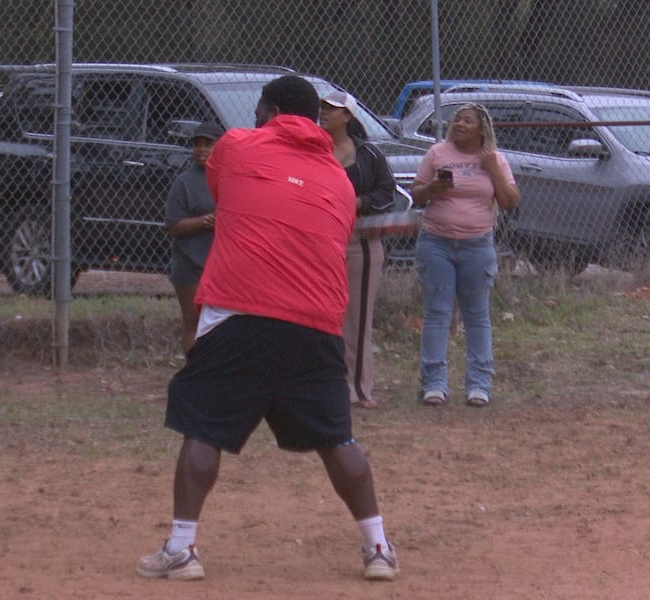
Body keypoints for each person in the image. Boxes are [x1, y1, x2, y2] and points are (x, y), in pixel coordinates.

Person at [137, 75, 397, 583]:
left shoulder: (235, 147)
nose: (253, 120)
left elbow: (221, 188)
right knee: (338, 438)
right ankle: (379, 548)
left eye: (260, 112)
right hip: (317, 323)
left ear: (272, 110)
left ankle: (182, 549)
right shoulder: (339, 180)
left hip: (239, 311)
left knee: (204, 428)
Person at [410, 103, 520, 407]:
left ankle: (479, 384)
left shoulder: (494, 159)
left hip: (476, 245)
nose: (459, 124)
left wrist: (494, 170)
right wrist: (433, 187)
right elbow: (415, 195)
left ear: (481, 128)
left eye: (467, 121)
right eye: (457, 120)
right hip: (436, 243)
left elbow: (510, 201)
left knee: (476, 315)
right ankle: (434, 383)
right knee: (437, 313)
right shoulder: (437, 154)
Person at [319, 91, 397, 410]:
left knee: (357, 317)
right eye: (322, 108)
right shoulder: (310, 150)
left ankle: (358, 387)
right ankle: (324, 383)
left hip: (357, 241)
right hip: (317, 241)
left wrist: (358, 202)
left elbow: (387, 193)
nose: (325, 113)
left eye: (333, 109)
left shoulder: (368, 155)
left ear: (348, 117)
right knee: (321, 316)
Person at [164, 121, 223, 353]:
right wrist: (205, 221)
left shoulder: (229, 177)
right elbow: (173, 225)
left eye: (208, 144)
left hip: (221, 263)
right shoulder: (184, 183)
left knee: (221, 324)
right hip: (190, 263)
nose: (201, 149)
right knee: (194, 321)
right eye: (197, 144)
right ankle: (193, 371)